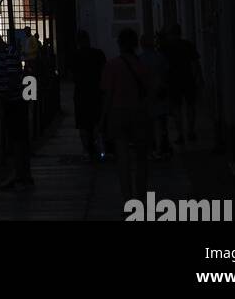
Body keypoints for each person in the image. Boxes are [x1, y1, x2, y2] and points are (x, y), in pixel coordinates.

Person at [101, 28, 151, 208]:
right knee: (141, 159)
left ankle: (128, 200)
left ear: (120, 44)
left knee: (123, 160)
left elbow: (107, 95)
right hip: (138, 113)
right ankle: (142, 198)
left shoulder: (112, 65)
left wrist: (103, 119)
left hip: (118, 114)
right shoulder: (142, 65)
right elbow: (150, 91)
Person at [0, 25, 33, 188]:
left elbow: (11, 79)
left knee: (17, 140)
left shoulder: (8, 54)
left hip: (13, 102)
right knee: (19, 140)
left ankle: (21, 175)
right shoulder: (7, 53)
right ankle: (22, 174)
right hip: (15, 101)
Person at [162, 23, 202, 146]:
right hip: (188, 79)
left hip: (173, 81)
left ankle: (180, 134)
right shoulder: (188, 45)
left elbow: (163, 67)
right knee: (190, 106)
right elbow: (195, 64)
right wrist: (198, 78)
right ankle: (190, 131)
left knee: (176, 109)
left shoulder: (166, 48)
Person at [70, 30, 106, 162]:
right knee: (97, 121)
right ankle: (100, 149)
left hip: (81, 93)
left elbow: (72, 75)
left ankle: (86, 151)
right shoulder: (98, 54)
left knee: (83, 125)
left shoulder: (75, 56)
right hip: (96, 92)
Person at [139, 30, 172, 158]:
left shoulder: (140, 60)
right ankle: (161, 146)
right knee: (160, 121)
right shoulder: (160, 57)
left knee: (150, 122)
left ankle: (154, 147)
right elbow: (167, 73)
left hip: (147, 94)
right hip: (160, 92)